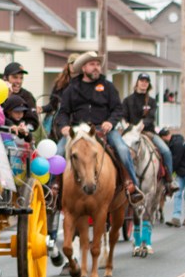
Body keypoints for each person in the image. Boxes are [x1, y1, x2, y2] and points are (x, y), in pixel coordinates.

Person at [55, 51, 145, 205]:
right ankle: (54, 189)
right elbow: (63, 112)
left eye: (98, 64)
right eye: (92, 64)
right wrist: (64, 126)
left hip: (103, 129)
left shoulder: (108, 87)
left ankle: (132, 185)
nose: (96, 67)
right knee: (58, 152)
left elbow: (118, 109)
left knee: (122, 150)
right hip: (78, 131)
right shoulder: (71, 89)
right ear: (84, 68)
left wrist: (110, 122)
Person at [121, 74, 175, 190]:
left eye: (146, 81)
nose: (144, 83)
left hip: (147, 132)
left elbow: (150, 117)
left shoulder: (151, 101)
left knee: (166, 151)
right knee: (117, 150)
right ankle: (119, 179)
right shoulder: (127, 100)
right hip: (131, 134)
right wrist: (128, 126)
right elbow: (123, 116)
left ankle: (169, 181)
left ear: (148, 84)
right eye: (142, 81)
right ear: (137, 83)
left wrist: (142, 125)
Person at [160, 126, 185, 227]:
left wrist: (167, 175)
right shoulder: (174, 142)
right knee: (177, 194)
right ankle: (176, 218)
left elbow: (175, 161)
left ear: (165, 137)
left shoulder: (177, 144)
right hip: (181, 173)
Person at [3, 61, 40, 133]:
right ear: (5, 78)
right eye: (15, 77)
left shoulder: (27, 96)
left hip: (20, 139)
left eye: (21, 78)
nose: (19, 81)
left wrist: (25, 128)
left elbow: (33, 122)